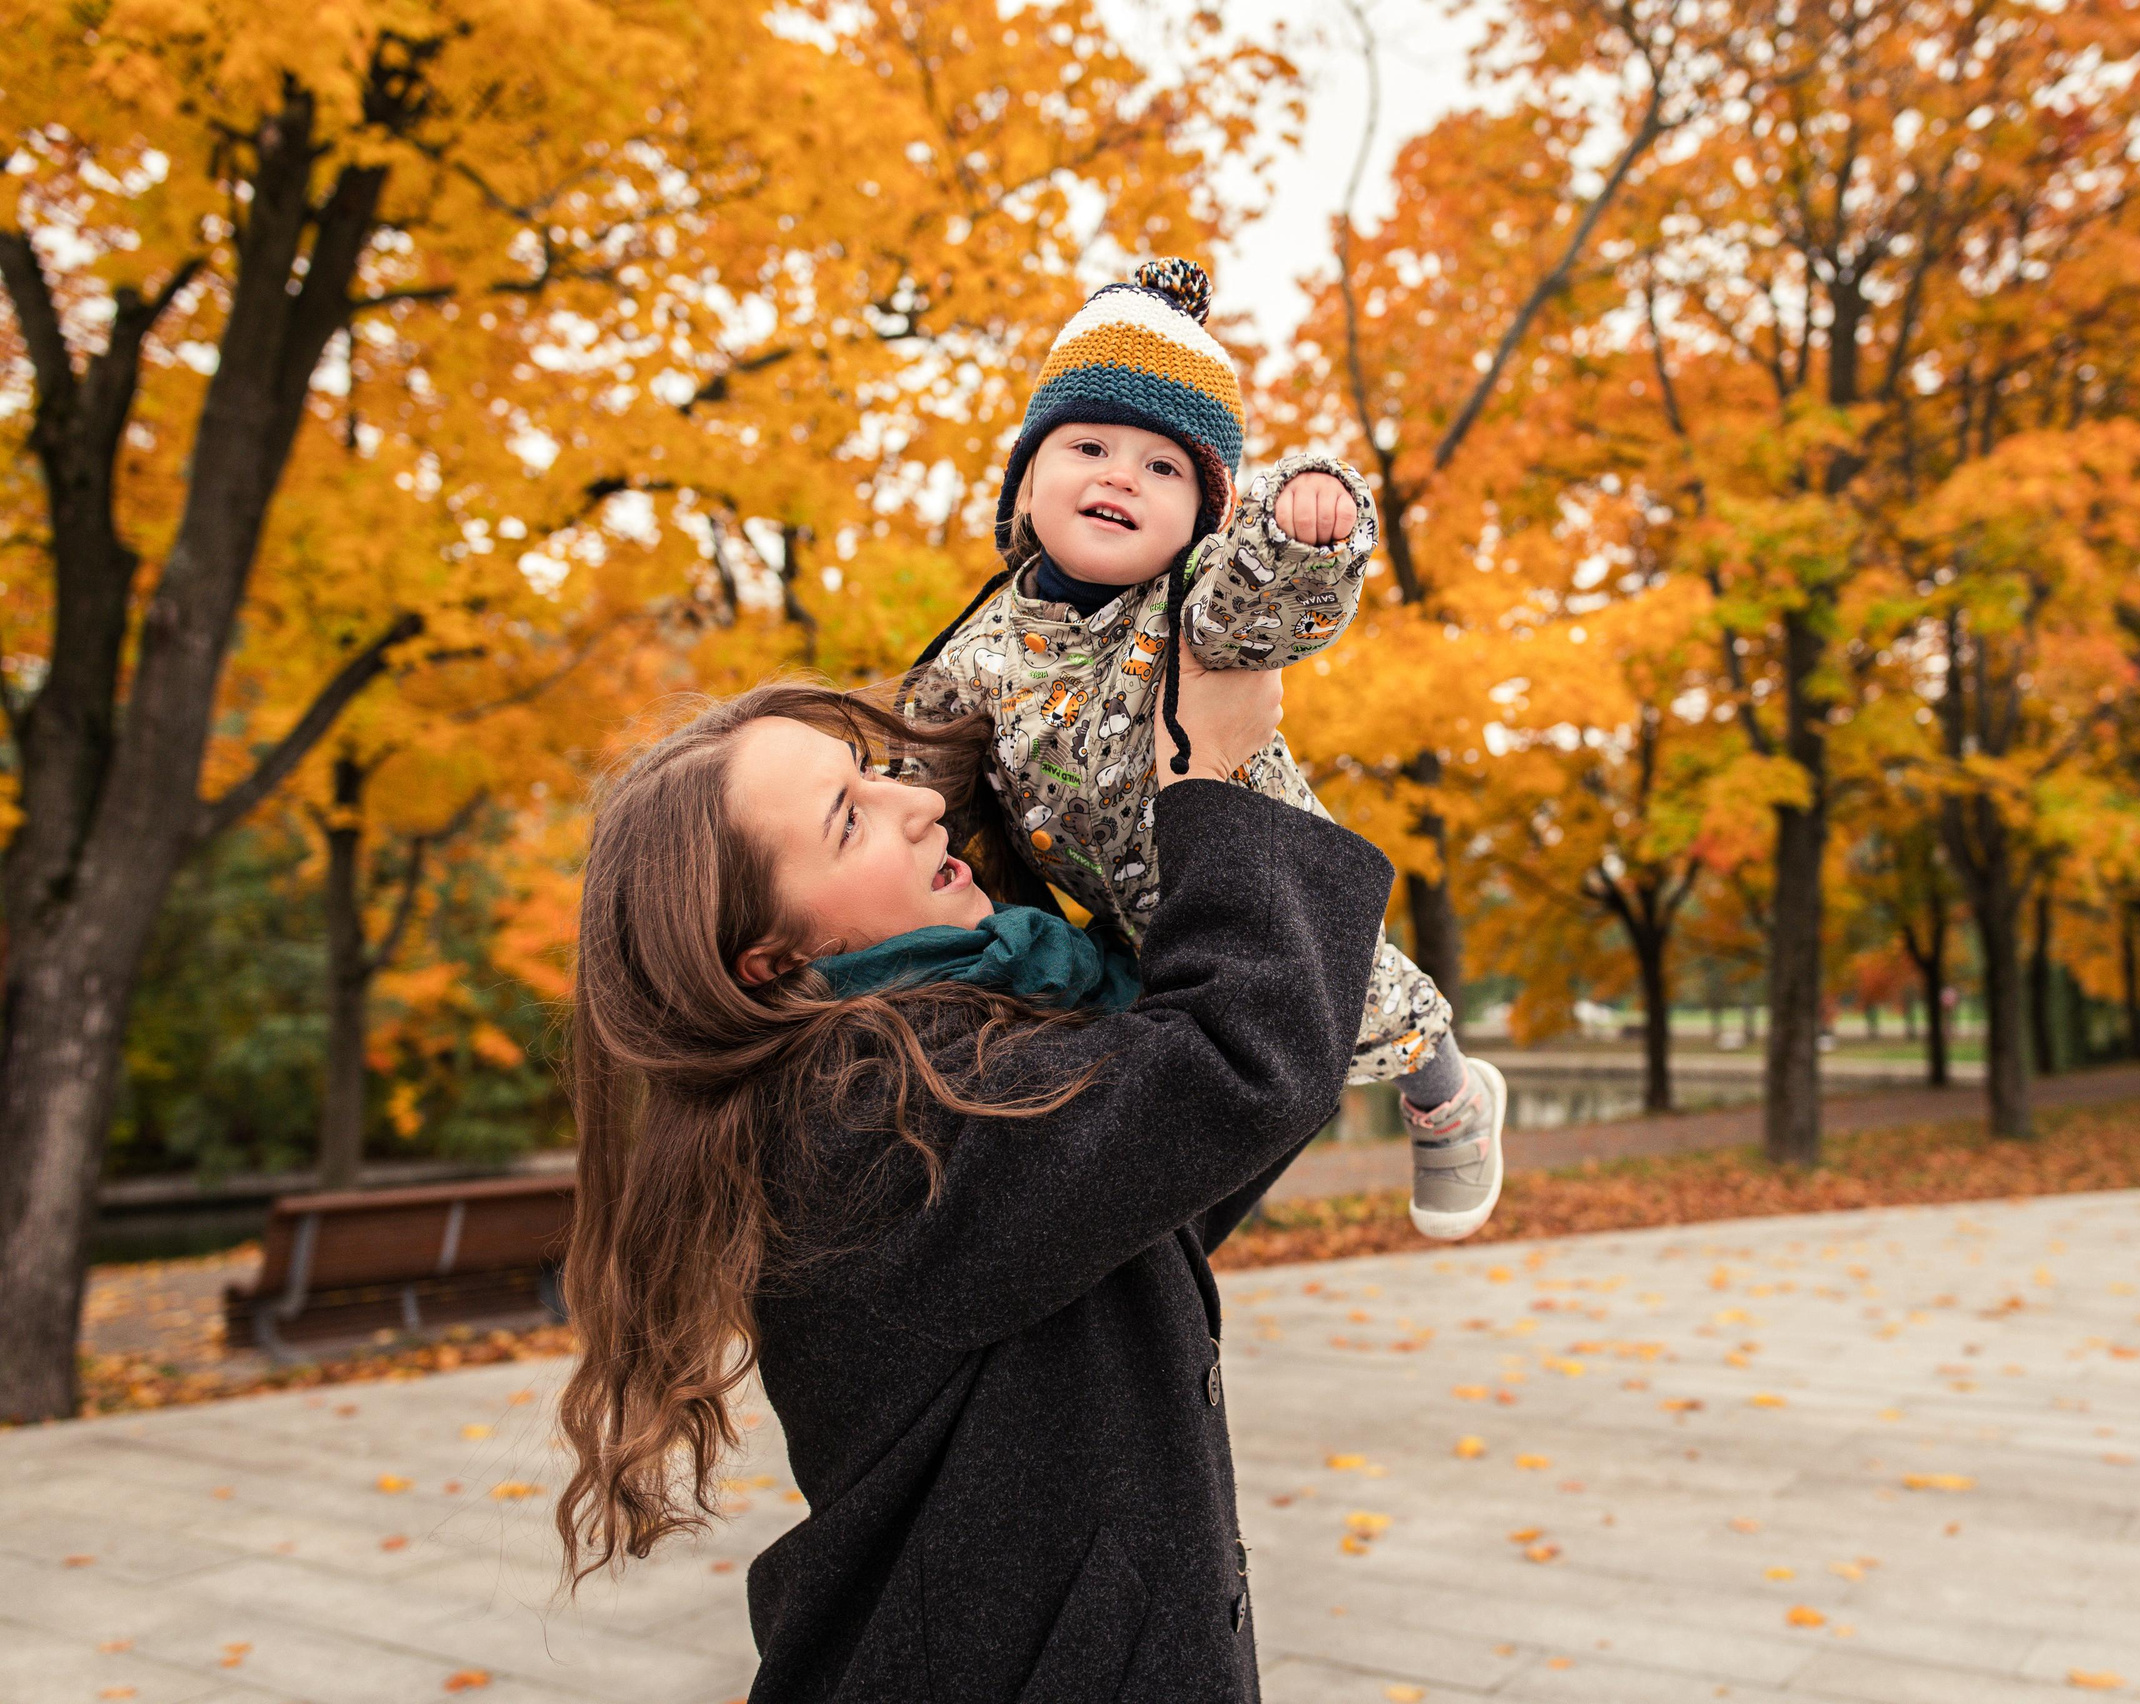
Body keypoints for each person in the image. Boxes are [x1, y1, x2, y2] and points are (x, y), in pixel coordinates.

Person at [555, 651, 1395, 1701]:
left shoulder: (905, 1069)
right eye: (847, 821)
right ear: (766, 959)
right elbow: (1232, 1072)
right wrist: (1212, 774)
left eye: (874, 772)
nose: (914, 802)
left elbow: (1162, 1185)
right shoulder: (869, 1121)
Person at [901, 256, 1505, 1241]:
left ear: (1197, 520)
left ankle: (1449, 1099)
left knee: (1362, 1000)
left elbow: (1261, 607)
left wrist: (1300, 534)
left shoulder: (1190, 609)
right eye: (1087, 444)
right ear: (1024, 483)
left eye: (1162, 467)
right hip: (1119, 911)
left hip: (1255, 876)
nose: (1118, 477)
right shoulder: (977, 646)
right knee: (1180, 1063)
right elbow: (925, 741)